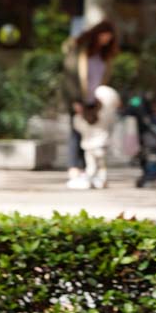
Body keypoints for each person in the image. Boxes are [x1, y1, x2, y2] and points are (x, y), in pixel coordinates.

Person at [63, 19, 119, 189]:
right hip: (78, 97)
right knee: (76, 132)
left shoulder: (104, 55)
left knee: (92, 134)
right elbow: (70, 76)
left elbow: (105, 78)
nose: (105, 41)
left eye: (109, 38)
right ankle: (74, 167)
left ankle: (89, 170)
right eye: (104, 37)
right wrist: (75, 100)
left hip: (95, 100)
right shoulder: (79, 50)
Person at [72, 84, 122, 189]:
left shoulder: (78, 119)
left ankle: (91, 181)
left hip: (89, 147)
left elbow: (78, 129)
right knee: (102, 166)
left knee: (91, 166)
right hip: (101, 145)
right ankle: (102, 181)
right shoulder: (104, 115)